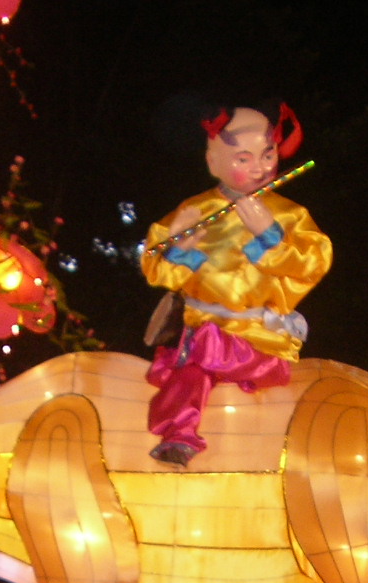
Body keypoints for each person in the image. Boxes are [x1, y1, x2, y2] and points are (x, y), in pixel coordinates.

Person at [141, 103, 332, 466]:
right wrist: (179, 251)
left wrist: (270, 237)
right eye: (244, 159)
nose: (260, 168)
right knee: (193, 370)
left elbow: (314, 263)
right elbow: (156, 268)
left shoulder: (290, 215)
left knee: (211, 354)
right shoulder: (196, 209)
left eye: (268, 155)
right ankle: (178, 437)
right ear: (213, 161)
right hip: (203, 334)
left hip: (259, 339)